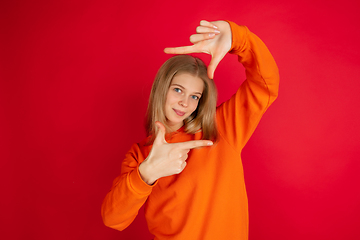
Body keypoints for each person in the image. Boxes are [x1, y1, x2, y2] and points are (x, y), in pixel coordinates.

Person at [101, 19, 279, 240]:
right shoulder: (140, 156)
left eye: (194, 96)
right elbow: (113, 219)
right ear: (161, 88)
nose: (185, 102)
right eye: (178, 90)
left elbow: (266, 87)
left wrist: (240, 40)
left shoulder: (222, 127)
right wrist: (147, 173)